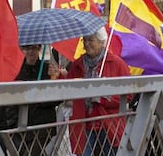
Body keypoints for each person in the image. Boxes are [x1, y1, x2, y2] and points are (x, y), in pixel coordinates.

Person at [49, 27, 130, 156]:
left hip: (109, 123)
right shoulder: (77, 65)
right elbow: (70, 87)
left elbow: (128, 94)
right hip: (83, 123)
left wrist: (102, 98)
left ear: (101, 41)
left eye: (90, 40)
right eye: (85, 40)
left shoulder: (117, 64)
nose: (87, 44)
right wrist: (58, 76)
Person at [5, 44, 60, 155]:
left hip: (42, 126)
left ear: (39, 49)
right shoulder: (15, 70)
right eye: (27, 48)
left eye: (34, 48)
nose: (31, 51)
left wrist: (53, 79)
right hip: (19, 125)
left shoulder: (47, 69)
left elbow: (57, 98)